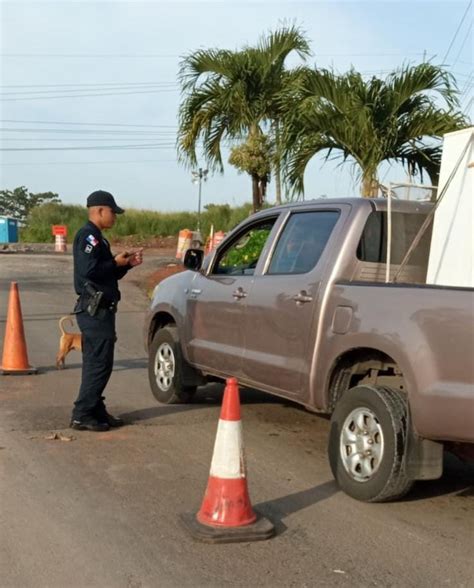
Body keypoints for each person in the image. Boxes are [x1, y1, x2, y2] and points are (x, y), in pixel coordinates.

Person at [70, 190, 143, 432]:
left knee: (100, 362)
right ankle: (82, 413)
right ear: (100, 210)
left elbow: (105, 272)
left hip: (101, 310)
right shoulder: (88, 237)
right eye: (113, 212)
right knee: (98, 363)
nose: (115, 217)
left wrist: (125, 265)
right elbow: (88, 271)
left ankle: (94, 408)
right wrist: (114, 263)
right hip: (94, 311)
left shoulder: (98, 237)